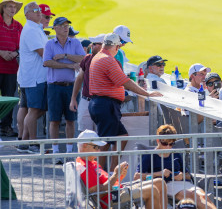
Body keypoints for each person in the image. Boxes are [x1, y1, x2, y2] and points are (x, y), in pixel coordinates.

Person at [134, 125, 222, 209]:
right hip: (164, 185)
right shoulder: (149, 156)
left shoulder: (176, 153)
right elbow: (137, 176)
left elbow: (188, 175)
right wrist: (159, 173)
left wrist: (182, 176)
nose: (168, 146)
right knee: (191, 195)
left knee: (202, 195)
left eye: (171, 144)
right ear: (158, 140)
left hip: (182, 182)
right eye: (165, 143)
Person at [88, 33, 162, 170]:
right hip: (105, 104)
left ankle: (111, 171)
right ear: (116, 47)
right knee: (104, 142)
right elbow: (125, 81)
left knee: (122, 136)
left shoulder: (99, 56)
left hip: (102, 104)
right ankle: (99, 175)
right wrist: (146, 93)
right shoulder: (107, 60)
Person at [77, 129, 168, 209]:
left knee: (160, 183)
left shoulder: (92, 163)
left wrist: (119, 176)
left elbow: (107, 183)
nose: (99, 150)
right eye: (96, 147)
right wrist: (115, 175)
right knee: (151, 189)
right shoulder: (84, 167)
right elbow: (98, 193)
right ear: (84, 146)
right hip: (111, 199)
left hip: (116, 192)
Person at [43, 16, 86, 163]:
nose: (65, 28)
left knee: (70, 119)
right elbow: (47, 62)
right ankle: (56, 152)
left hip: (71, 87)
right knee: (54, 120)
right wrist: (68, 65)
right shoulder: (50, 44)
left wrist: (65, 56)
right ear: (55, 28)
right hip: (54, 87)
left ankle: (69, 151)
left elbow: (83, 59)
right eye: (62, 26)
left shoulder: (75, 42)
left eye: (67, 25)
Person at [16, 2, 49, 153]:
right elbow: (43, 53)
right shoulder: (31, 29)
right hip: (34, 78)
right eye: (35, 10)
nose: (39, 12)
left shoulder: (35, 28)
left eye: (39, 10)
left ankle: (24, 141)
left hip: (32, 76)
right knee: (34, 110)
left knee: (31, 109)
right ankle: (33, 144)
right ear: (27, 14)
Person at [69, 33, 105, 133]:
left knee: (101, 134)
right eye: (92, 43)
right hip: (85, 100)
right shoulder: (87, 58)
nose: (91, 45)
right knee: (84, 134)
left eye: (95, 44)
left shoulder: (108, 61)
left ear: (103, 46)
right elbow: (79, 78)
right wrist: (73, 98)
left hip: (101, 101)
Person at [0, 0, 23, 137]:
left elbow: (24, 46)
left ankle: (5, 126)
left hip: (11, 68)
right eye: (10, 6)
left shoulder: (18, 26)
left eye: (14, 7)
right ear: (3, 8)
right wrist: (1, 52)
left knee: (9, 98)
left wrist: (15, 53)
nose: (12, 9)